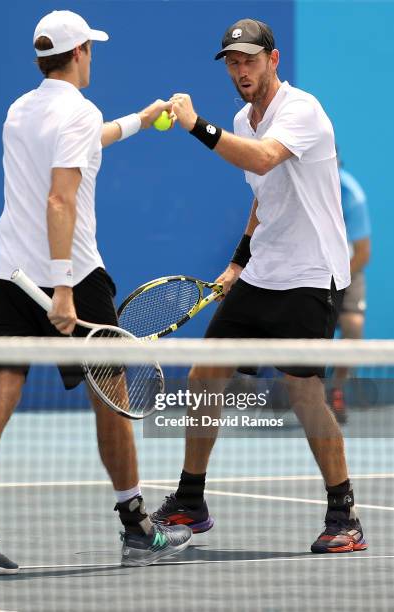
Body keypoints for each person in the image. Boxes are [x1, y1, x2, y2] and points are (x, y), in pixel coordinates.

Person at [0, 10, 191, 575]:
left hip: (8, 273)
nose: (92, 58)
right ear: (79, 54)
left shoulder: (20, 110)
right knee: (113, 399)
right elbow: (60, 199)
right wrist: (62, 289)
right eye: (91, 50)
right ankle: (136, 527)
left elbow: (79, 144)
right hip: (71, 276)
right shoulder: (78, 110)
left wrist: (137, 120)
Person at [153, 18, 367, 553]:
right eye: (232, 61)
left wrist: (196, 126)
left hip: (311, 275)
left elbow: (266, 157)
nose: (241, 69)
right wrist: (238, 261)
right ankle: (191, 500)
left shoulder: (302, 110)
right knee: (205, 375)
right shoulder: (240, 121)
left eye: (250, 59)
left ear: (274, 60)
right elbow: (262, 195)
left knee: (304, 392)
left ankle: (343, 514)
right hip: (263, 271)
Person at [329, 157, 371, 423]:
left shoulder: (351, 195)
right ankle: (301, 387)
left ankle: (337, 390)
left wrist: (336, 282)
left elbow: (363, 254)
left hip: (347, 271)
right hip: (309, 270)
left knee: (353, 326)